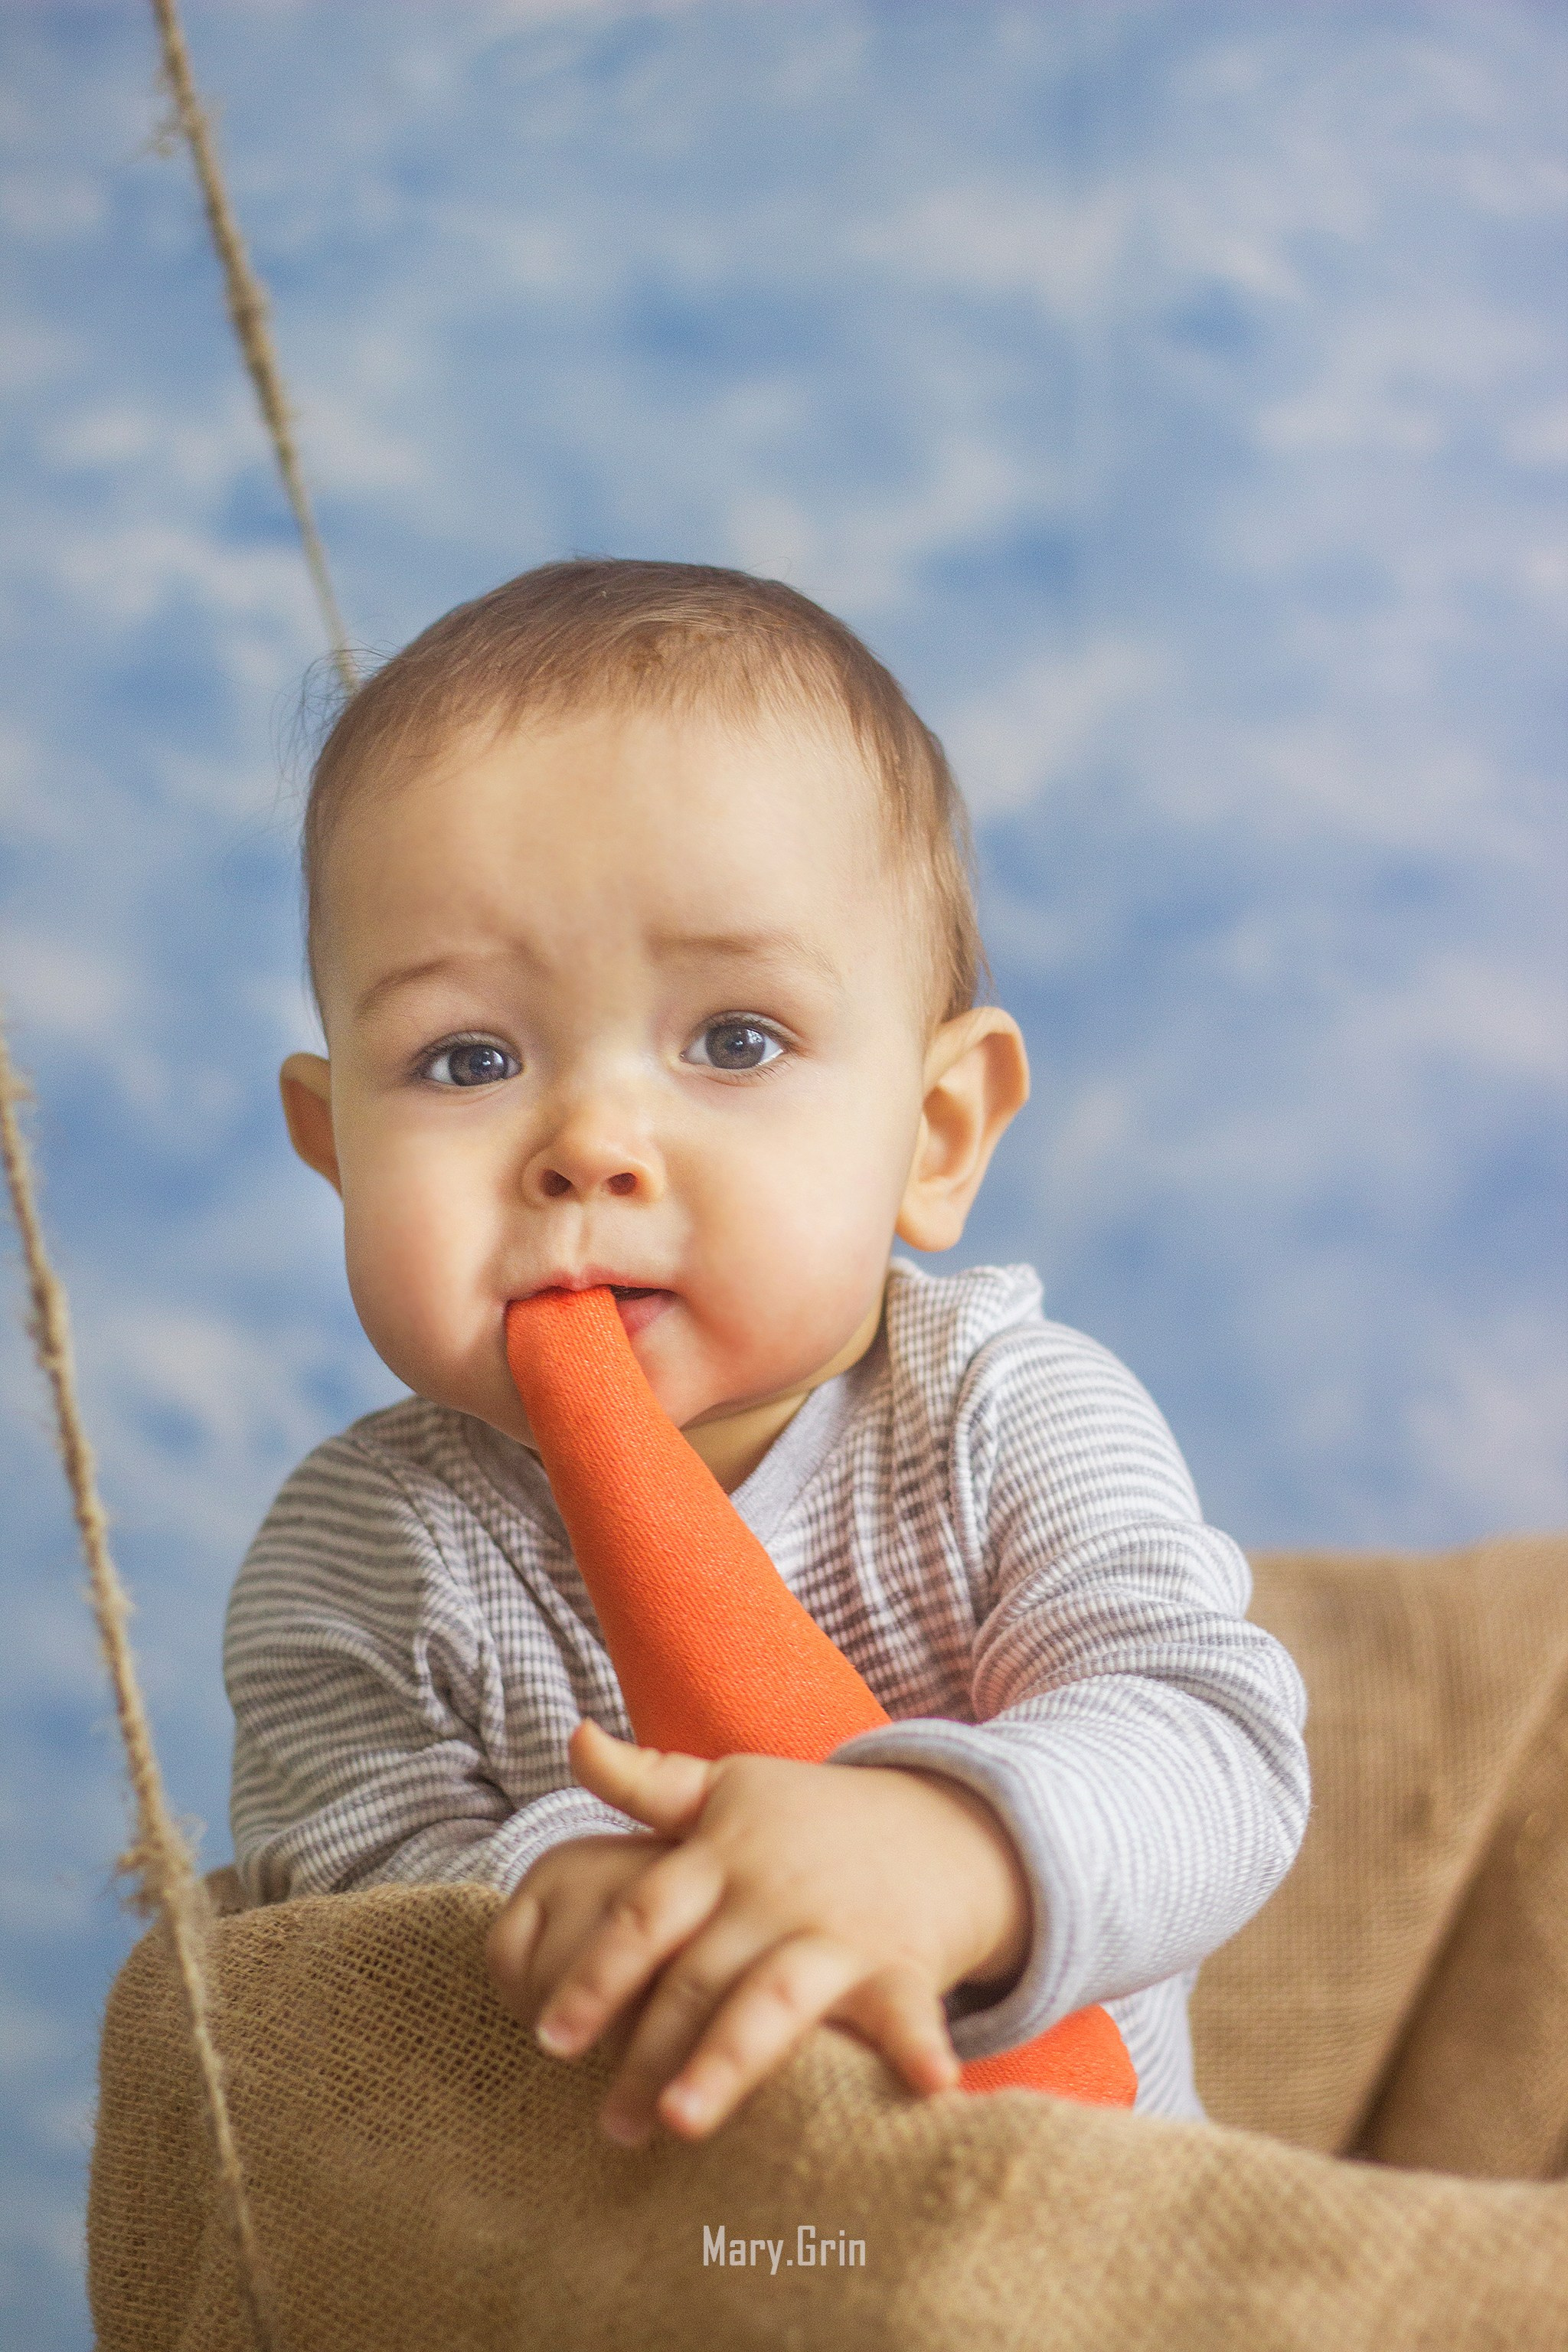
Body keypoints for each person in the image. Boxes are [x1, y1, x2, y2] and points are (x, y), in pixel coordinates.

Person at [227, 557, 1308, 2154]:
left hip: (1059, 2242)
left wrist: (949, 1850)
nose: (589, 1144)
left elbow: (1213, 1745)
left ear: (934, 1138)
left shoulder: (1003, 1420)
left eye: (734, 1040)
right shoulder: (363, 1554)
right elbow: (332, 1923)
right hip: (619, 2264)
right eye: (468, 1059)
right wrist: (560, 1889)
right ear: (334, 1148)